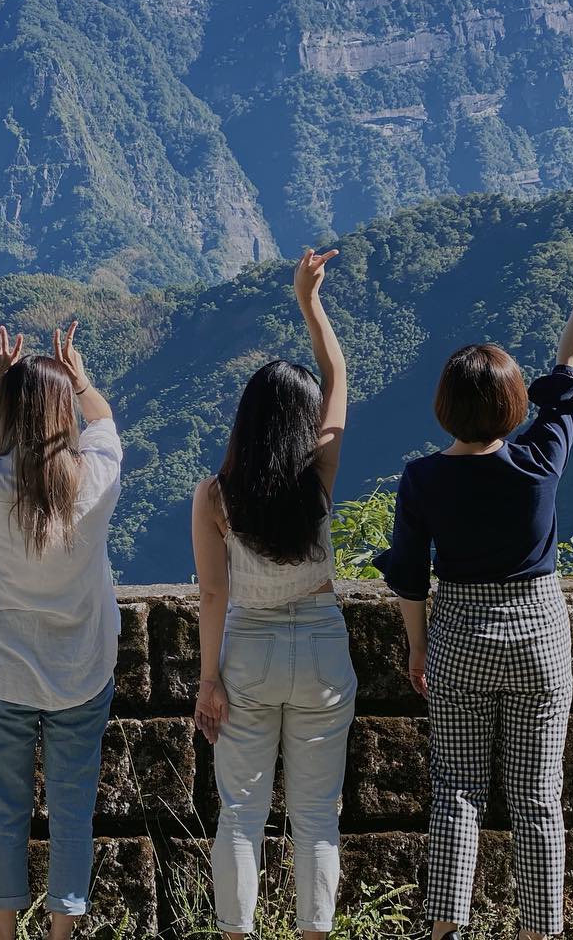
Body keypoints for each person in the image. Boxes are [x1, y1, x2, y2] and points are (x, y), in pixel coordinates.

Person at [374, 226, 573, 940]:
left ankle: (444, 930)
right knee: (538, 799)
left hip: (460, 638)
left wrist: (418, 648)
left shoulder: (423, 478)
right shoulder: (541, 459)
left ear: (444, 406)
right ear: (516, 405)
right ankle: (540, 931)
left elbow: (409, 575)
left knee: (457, 791)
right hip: (539, 638)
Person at [192, 249, 356, 940]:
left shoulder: (215, 495)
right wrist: (309, 303)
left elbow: (212, 595)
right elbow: (337, 374)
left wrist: (209, 681)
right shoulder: (318, 474)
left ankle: (237, 932)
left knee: (241, 815)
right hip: (321, 646)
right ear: (304, 423)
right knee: (316, 815)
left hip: (250, 652)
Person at [0, 322, 122, 940]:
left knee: (4, 809)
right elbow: (103, 421)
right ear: (62, 414)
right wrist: (78, 378)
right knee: (73, 814)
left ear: (12, 413)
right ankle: (61, 934)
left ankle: (4, 932)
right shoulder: (96, 479)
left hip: (2, 671)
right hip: (81, 671)